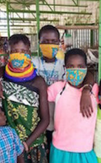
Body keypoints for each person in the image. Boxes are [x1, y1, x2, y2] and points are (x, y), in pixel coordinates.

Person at [0, 34, 52, 163]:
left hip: (33, 145)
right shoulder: (2, 77)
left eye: (23, 51)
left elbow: (45, 119)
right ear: (8, 53)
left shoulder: (38, 82)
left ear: (29, 53)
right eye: (14, 51)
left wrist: (26, 144)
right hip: (10, 147)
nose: (18, 55)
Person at [47, 48, 100, 163]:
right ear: (65, 68)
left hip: (84, 152)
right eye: (71, 66)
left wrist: (86, 89)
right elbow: (38, 93)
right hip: (60, 150)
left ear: (86, 68)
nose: (75, 70)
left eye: (80, 66)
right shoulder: (58, 89)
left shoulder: (94, 90)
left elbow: (95, 81)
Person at [31, 25, 96, 153]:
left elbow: (88, 74)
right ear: (39, 43)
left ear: (59, 42)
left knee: (55, 145)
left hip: (60, 120)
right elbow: (4, 69)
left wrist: (86, 90)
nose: (50, 45)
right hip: (38, 117)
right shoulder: (33, 63)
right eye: (45, 41)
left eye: (54, 41)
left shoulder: (65, 64)